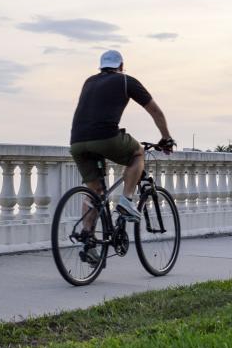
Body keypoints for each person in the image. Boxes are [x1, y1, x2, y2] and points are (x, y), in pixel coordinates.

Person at [69, 50, 174, 227]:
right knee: (138, 153)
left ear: (101, 67)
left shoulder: (89, 82)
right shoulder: (126, 80)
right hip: (105, 137)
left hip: (77, 142)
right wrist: (166, 138)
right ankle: (126, 201)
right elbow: (155, 111)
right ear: (121, 66)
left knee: (95, 191)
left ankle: (88, 240)